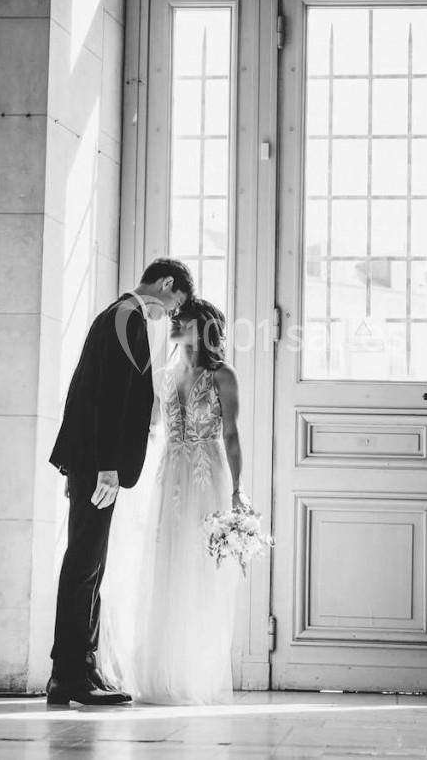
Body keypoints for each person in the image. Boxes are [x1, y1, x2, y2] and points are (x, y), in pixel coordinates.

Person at [46, 258, 194, 706]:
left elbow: (83, 391)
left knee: (87, 565)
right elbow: (107, 399)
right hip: (99, 464)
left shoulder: (114, 314)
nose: (169, 315)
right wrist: (104, 466)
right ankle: (72, 675)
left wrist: (75, 464)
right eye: (174, 305)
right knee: (85, 567)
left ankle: (77, 670)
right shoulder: (126, 317)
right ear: (166, 284)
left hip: (89, 461)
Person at [99, 297, 245, 705]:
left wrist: (236, 489)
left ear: (202, 329)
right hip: (168, 473)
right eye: (176, 317)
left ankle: (194, 673)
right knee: (165, 563)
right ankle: (161, 673)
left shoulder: (223, 375)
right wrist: (110, 465)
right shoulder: (162, 376)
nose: (174, 322)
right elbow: (146, 428)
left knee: (199, 570)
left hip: (206, 473)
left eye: (183, 319)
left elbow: (231, 434)